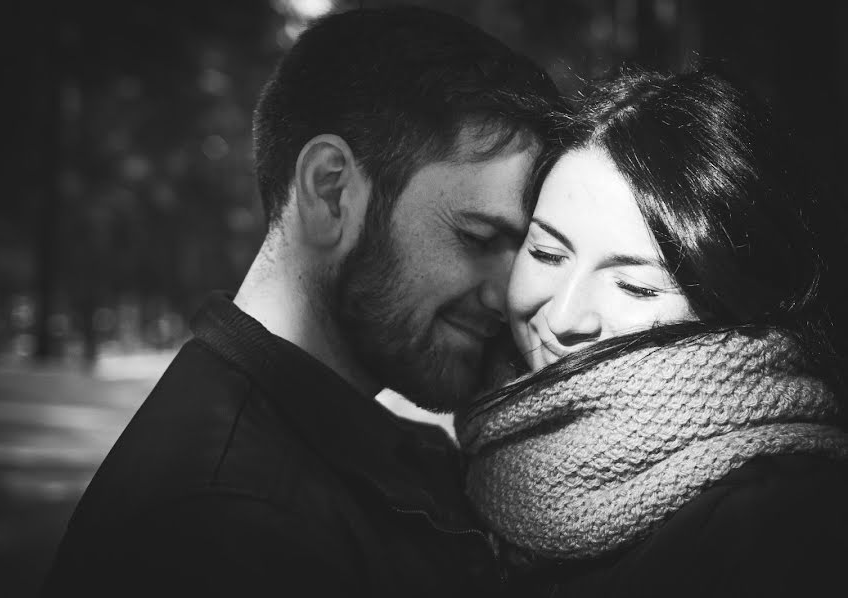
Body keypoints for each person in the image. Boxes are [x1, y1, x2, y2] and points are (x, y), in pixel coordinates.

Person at [41, 6, 561, 598]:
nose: (507, 293)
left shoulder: (347, 454)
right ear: (332, 192)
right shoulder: (227, 528)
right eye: (477, 237)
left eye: (521, 253)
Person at [457, 68, 848, 597]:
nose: (565, 316)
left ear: (734, 308)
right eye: (547, 253)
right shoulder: (476, 482)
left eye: (636, 287)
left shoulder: (782, 530)